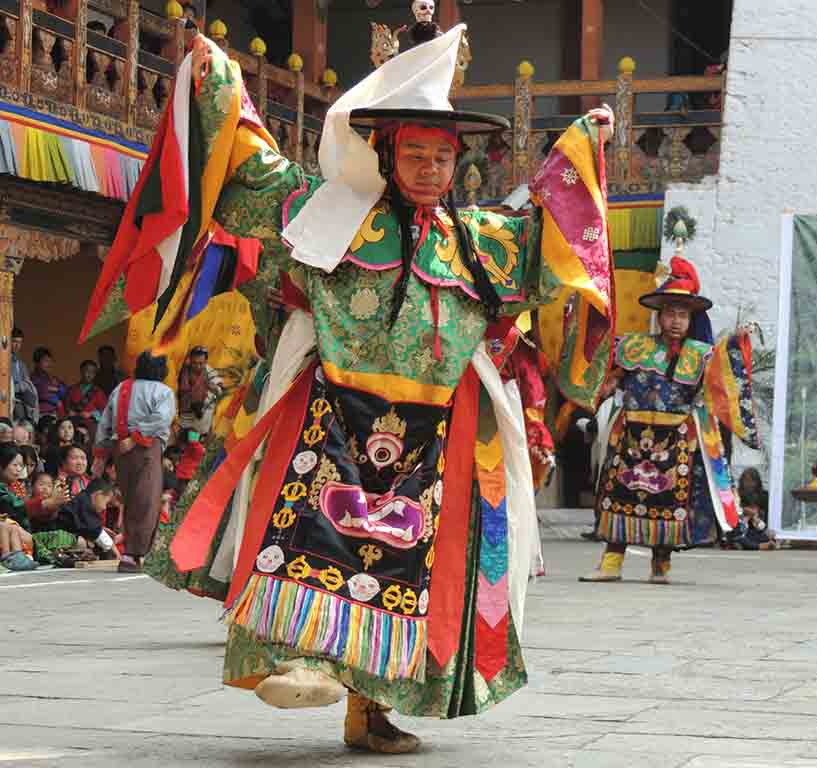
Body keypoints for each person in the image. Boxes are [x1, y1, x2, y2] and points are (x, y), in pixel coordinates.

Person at [85, 26, 613, 754]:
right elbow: (251, 167)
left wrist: (584, 142)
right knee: (306, 543)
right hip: (332, 415)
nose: (430, 168)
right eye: (416, 153)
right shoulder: (329, 213)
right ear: (386, 154)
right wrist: (218, 82)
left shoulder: (484, 242)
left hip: (434, 434)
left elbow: (553, 229)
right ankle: (299, 656)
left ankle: (372, 709)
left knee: (412, 576)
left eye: (443, 157)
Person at [580, 245, 761, 585]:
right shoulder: (633, 347)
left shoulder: (703, 355)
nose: (676, 321)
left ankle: (660, 564)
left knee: (667, 503)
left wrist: (737, 345)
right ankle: (611, 562)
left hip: (676, 440)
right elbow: (608, 378)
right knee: (618, 497)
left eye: (683, 314)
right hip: (631, 436)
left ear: (691, 319)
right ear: (659, 315)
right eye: (670, 313)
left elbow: (723, 390)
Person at [93, 351, 176, 574]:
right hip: (145, 447)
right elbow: (161, 419)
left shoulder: (121, 388)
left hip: (120, 450)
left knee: (131, 499)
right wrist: (136, 438)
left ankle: (135, 552)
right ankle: (133, 554)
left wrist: (100, 455)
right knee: (146, 501)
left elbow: (105, 422)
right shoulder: (163, 391)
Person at [176, 346, 222, 439]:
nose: (198, 366)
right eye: (194, 363)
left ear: (205, 362)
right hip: (187, 414)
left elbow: (219, 389)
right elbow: (183, 390)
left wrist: (214, 388)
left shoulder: (209, 371)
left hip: (203, 414)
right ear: (190, 360)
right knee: (190, 441)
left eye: (201, 363)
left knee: (197, 440)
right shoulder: (185, 371)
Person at [64, 360, 109, 438]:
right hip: (73, 425)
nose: (89, 375)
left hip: (91, 426)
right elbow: (66, 406)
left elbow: (105, 411)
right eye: (87, 371)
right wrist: (69, 412)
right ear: (81, 371)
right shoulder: (71, 389)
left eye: (93, 372)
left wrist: (91, 414)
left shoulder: (98, 392)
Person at [10, 328, 38, 423]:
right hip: (12, 399)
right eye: (14, 341)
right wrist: (21, 386)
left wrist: (24, 386)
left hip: (23, 401)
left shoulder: (21, 364)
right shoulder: (4, 361)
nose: (17, 345)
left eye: (20, 342)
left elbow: (27, 383)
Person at [31, 347, 66, 418]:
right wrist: (56, 400)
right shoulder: (33, 378)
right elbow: (41, 392)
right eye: (46, 361)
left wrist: (57, 389)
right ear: (37, 363)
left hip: (55, 413)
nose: (49, 364)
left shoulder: (53, 378)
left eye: (50, 361)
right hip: (41, 414)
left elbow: (64, 391)